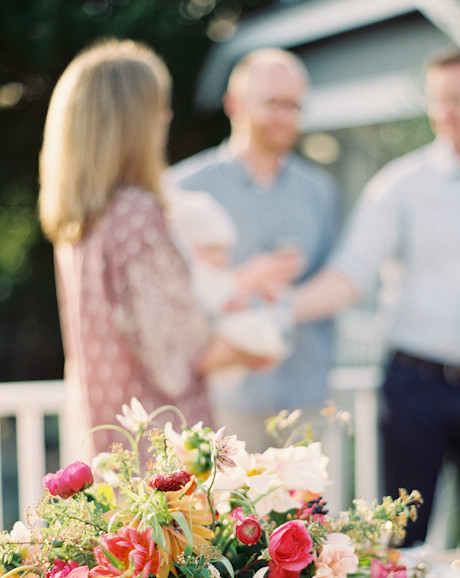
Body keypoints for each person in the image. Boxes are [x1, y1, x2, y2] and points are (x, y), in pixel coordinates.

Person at [291, 49, 460, 545]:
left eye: (458, 99)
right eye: (437, 101)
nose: (445, 113)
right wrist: (280, 308)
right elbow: (350, 273)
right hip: (413, 389)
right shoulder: (399, 185)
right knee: (401, 540)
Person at [38, 39, 272, 459]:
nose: (165, 117)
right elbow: (179, 357)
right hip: (164, 461)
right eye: (157, 107)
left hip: (110, 446)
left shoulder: (83, 223)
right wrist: (257, 341)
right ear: (131, 122)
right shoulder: (135, 215)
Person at [167, 47, 340, 451]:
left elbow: (333, 281)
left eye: (295, 105)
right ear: (234, 104)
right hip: (222, 405)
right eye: (273, 103)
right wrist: (244, 281)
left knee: (310, 515)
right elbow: (168, 300)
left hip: (305, 399)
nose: (285, 116)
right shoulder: (182, 189)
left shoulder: (320, 191)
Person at [166, 188, 291, 386]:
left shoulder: (216, 277)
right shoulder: (185, 280)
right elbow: (209, 300)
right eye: (211, 249)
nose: (221, 259)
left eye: (225, 251)